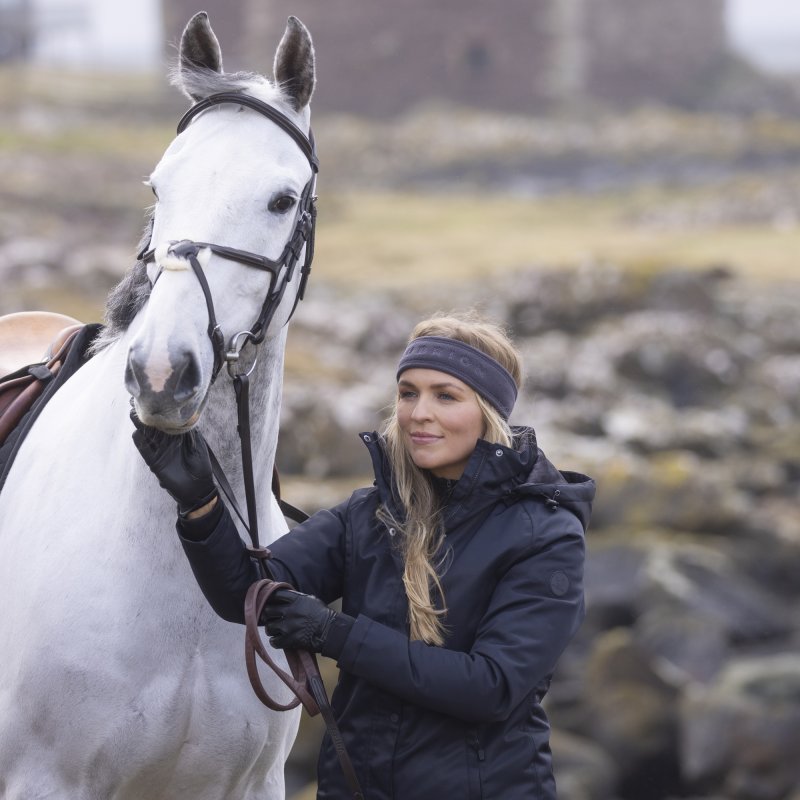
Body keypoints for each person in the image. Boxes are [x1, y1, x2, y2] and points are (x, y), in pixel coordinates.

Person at [131, 312, 595, 800]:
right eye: (408, 392)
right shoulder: (371, 510)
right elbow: (247, 593)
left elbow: (490, 687)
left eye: (446, 396)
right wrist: (200, 503)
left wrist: (335, 634)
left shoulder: (546, 534)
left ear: (489, 412)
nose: (418, 413)